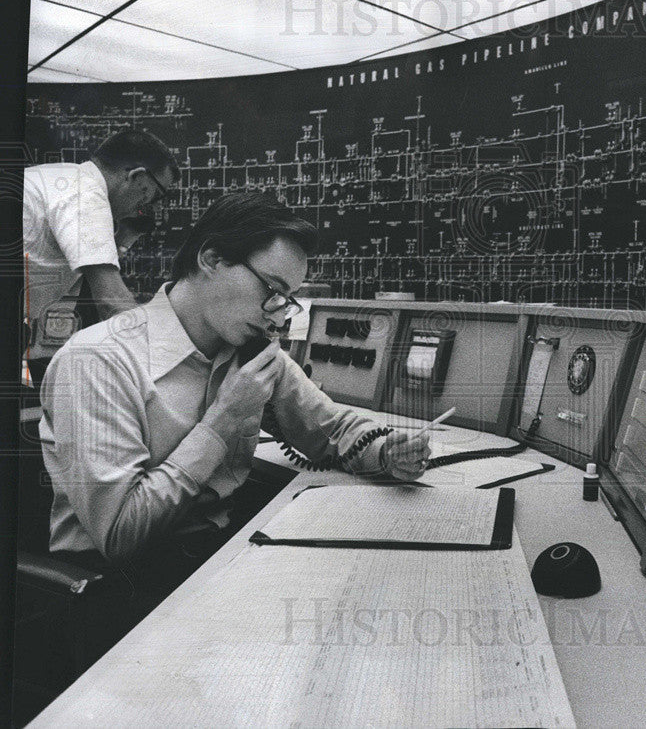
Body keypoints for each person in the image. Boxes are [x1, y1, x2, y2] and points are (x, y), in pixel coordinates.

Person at [38, 191, 430, 578]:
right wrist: (224, 418)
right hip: (123, 586)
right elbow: (121, 536)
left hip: (217, 555)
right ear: (211, 259)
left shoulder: (249, 348)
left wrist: (386, 451)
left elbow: (334, 428)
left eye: (288, 300)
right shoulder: (97, 360)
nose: (277, 316)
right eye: (271, 291)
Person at [22, 129, 179, 382]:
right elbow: (111, 301)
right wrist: (172, 362)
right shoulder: (87, 194)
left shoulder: (64, 178)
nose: (151, 207)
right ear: (137, 177)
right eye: (155, 195)